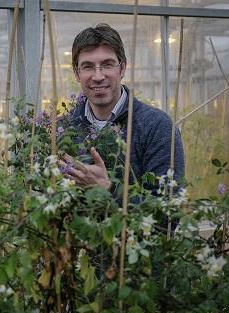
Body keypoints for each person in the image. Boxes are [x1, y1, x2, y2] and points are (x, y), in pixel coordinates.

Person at [60, 23, 185, 195]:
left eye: (107, 64)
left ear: (123, 68)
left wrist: (107, 189)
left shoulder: (157, 127)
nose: (98, 76)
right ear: (76, 73)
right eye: (88, 66)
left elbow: (167, 213)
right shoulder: (64, 129)